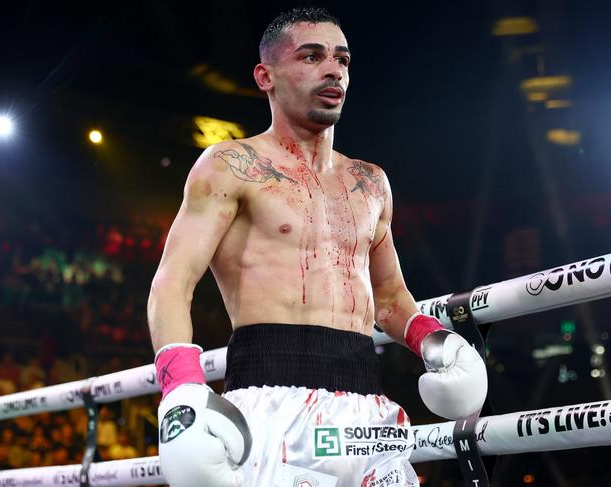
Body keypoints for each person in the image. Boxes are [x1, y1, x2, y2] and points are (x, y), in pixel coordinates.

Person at [147, 7, 487, 487]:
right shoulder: (230, 165)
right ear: (265, 76)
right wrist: (181, 392)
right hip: (271, 397)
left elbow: (389, 300)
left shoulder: (370, 181)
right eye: (312, 56)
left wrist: (435, 339)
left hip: (368, 407)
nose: (334, 71)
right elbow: (172, 284)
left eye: (343, 60)